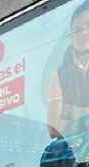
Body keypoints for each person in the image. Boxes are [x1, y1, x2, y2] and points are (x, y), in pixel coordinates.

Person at [48, 1, 89, 138]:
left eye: (88, 25)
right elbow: (54, 129)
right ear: (71, 37)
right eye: (77, 29)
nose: (84, 32)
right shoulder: (60, 75)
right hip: (78, 153)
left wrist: (69, 110)